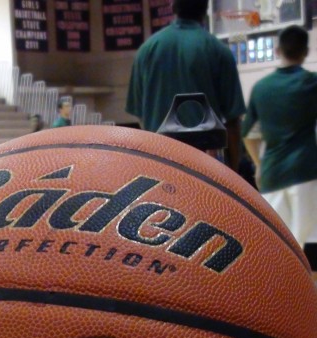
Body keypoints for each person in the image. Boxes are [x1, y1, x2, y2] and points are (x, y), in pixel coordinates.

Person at [125, 0, 245, 171]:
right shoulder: (218, 50)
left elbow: (140, 115)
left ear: (173, 8)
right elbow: (232, 122)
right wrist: (234, 173)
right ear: (205, 10)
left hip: (159, 162)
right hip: (205, 166)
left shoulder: (146, 50)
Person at [242, 25, 317, 264]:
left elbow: (247, 133)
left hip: (273, 172)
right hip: (305, 170)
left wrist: (258, 164)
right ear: (306, 51)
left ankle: (281, 293)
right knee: (300, 242)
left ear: (277, 50)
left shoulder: (262, 87)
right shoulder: (311, 83)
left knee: (280, 244)